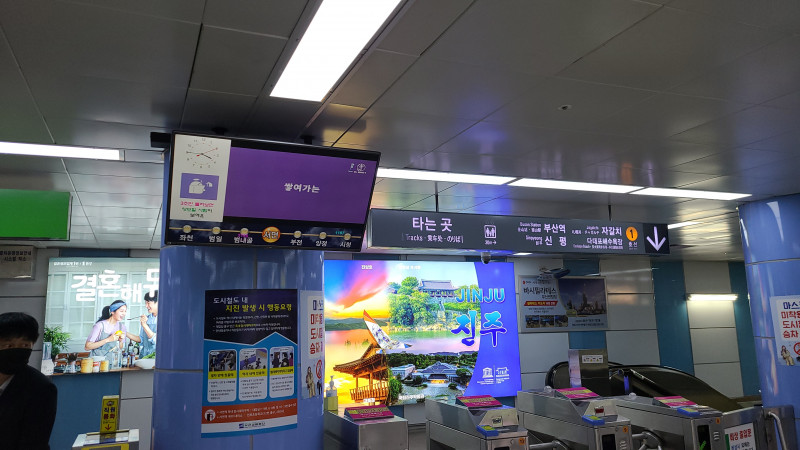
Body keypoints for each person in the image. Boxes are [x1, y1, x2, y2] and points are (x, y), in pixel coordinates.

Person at [0, 312, 58, 449]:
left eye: (25, 345)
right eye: (9, 346)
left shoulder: (41, 388)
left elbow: (34, 443)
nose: (16, 351)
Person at [139, 290, 158, 357]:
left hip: (155, 357)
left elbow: (157, 341)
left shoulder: (166, 320)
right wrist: (126, 333)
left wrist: (145, 325)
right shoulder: (147, 318)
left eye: (148, 303)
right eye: (145, 303)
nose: (146, 306)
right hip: (144, 355)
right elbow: (141, 339)